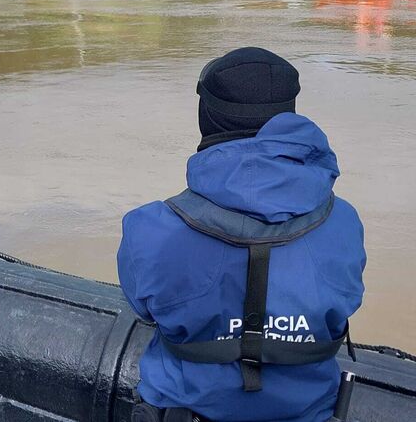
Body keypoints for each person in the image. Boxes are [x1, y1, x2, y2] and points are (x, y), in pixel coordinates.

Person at [118, 48, 366, 422]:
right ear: (289, 114)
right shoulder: (345, 221)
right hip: (308, 413)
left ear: (209, 119)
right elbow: (343, 305)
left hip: (184, 411)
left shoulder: (149, 227)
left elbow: (144, 308)